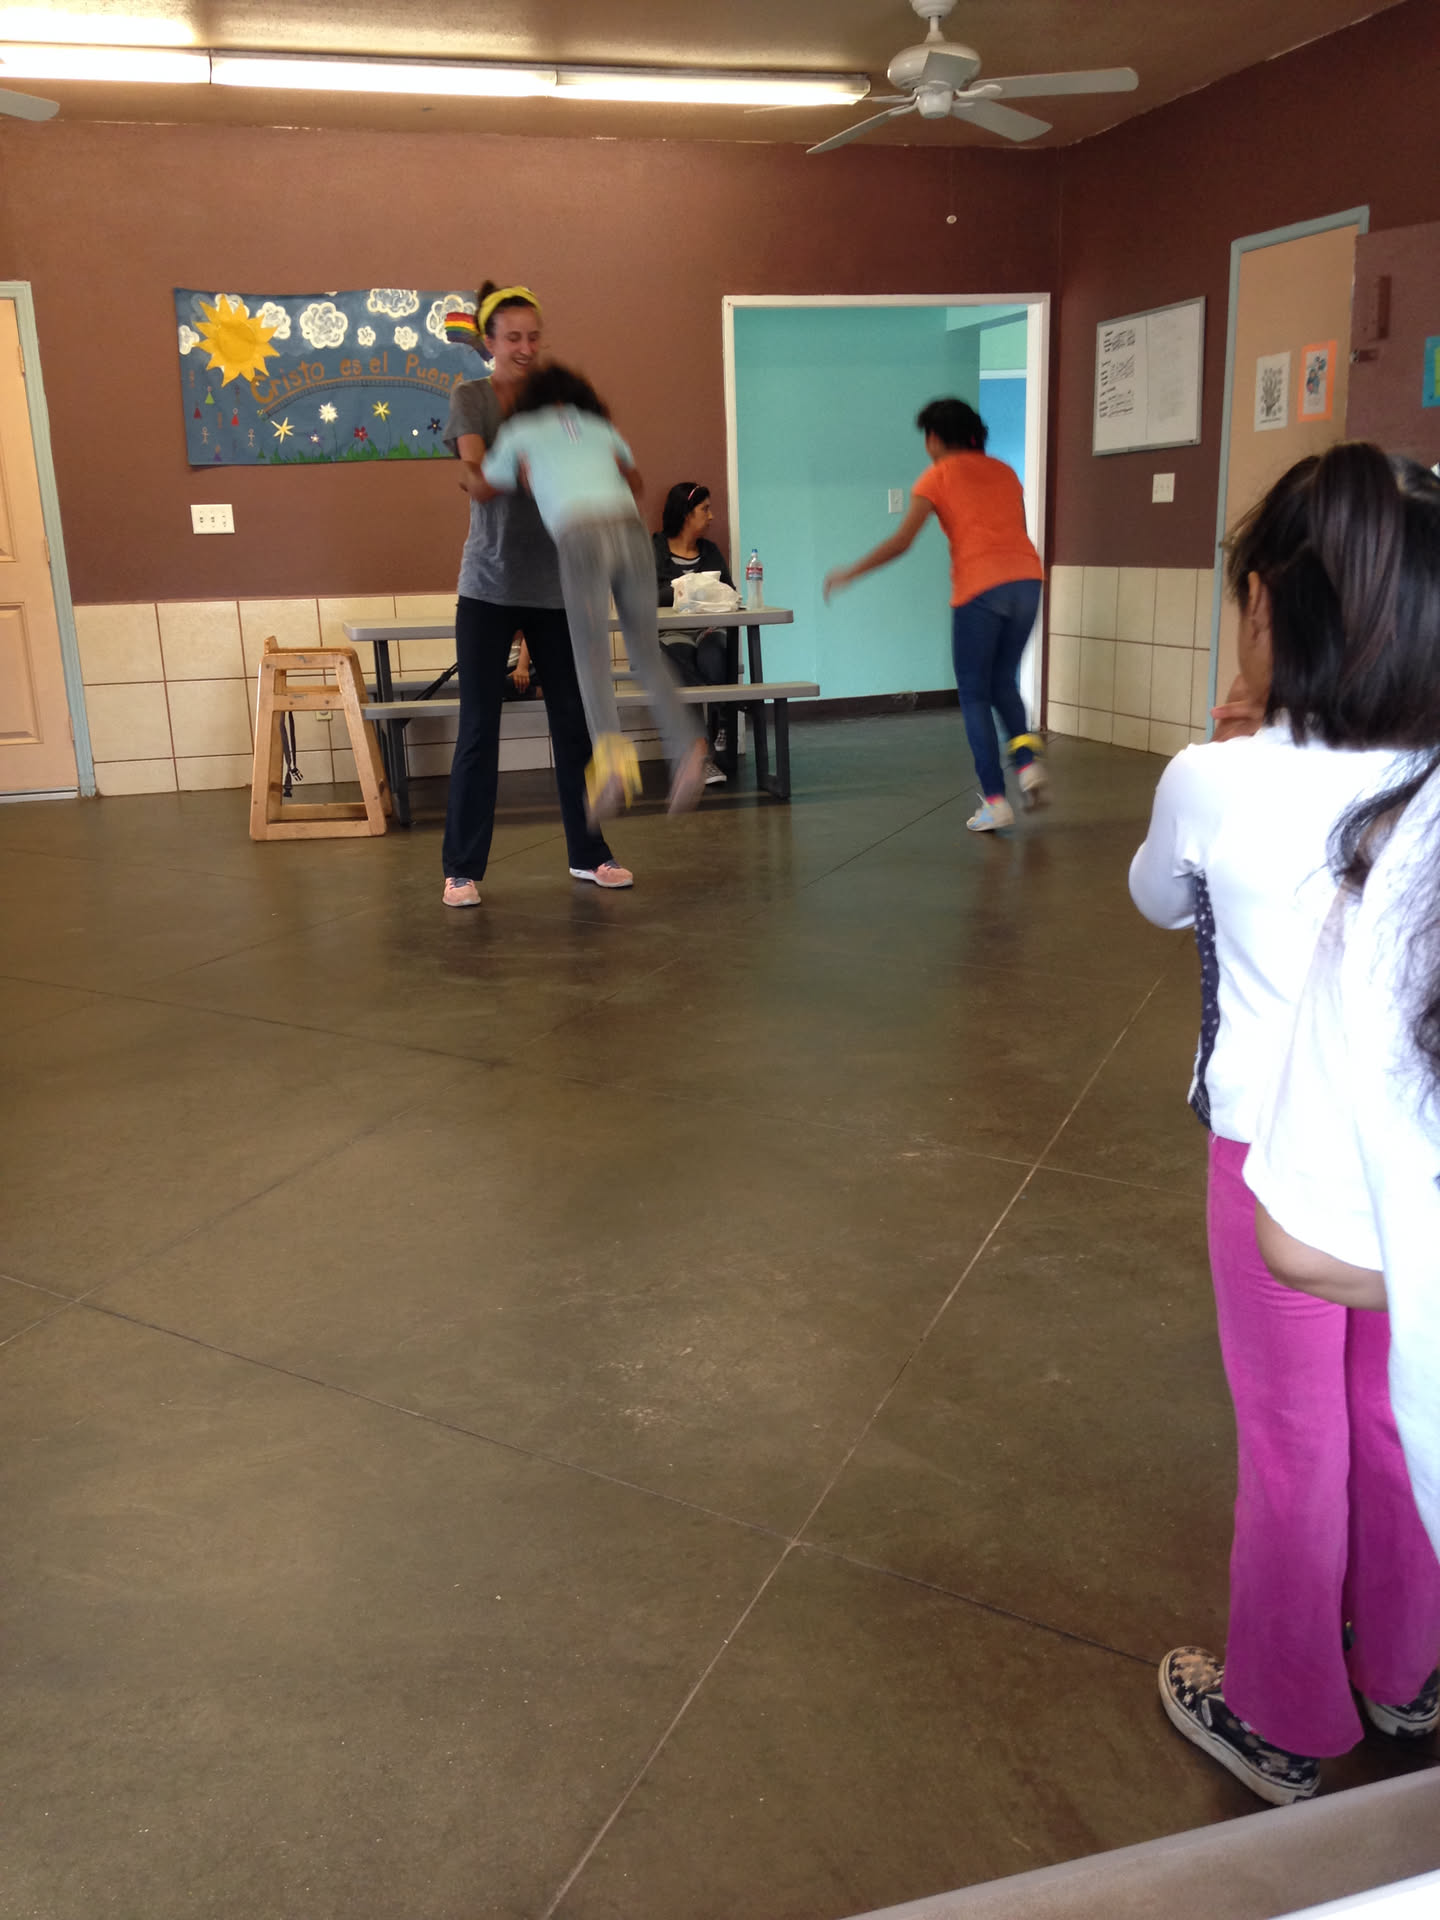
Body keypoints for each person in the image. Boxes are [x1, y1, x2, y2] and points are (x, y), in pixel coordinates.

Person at [1128, 443, 1440, 1805]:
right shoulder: (1427, 777)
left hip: (1267, 1160)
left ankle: (1282, 1713)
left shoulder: (1213, 778)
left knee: (1293, 1438)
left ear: (1266, 606)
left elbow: (1156, 896)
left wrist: (1235, 732)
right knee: (1393, 1407)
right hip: (1409, 1157)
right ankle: (1409, 1671)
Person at [1248, 752, 1440, 1568]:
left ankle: (1293, 1659)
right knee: (1372, 1417)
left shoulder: (1402, 848)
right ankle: (1399, 1643)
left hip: (1270, 1140)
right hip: (1323, 1160)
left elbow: (1157, 894)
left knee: (1293, 1430)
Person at [439, 281, 632, 910]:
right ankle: (461, 868)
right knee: (478, 729)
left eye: (533, 337)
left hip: (558, 585)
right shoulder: (471, 397)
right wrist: (497, 474)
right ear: (489, 342)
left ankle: (590, 853)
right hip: (489, 584)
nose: (524, 348)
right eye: (512, 337)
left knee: (573, 722)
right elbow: (473, 470)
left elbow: (602, 457)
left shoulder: (557, 401)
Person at [476, 363, 706, 822]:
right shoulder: (601, 428)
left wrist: (507, 474)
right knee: (646, 653)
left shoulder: (521, 429)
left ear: (534, 399)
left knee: (592, 656)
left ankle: (613, 763)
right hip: (632, 533)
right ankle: (688, 746)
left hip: (581, 535)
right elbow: (635, 482)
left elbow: (484, 489)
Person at [823, 398, 1047, 832]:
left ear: (934, 438)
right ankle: (1027, 763)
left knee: (974, 694)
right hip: (1027, 581)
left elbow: (902, 542)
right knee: (1004, 680)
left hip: (980, 589)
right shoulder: (1004, 472)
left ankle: (995, 800)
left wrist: (851, 571)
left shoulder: (937, 475)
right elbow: (1016, 532)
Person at [654, 482, 736, 781]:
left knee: (713, 655)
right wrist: (694, 589)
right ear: (687, 514)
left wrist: (681, 591)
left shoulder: (710, 551)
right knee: (680, 661)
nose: (711, 516)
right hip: (670, 633)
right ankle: (703, 751)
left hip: (708, 629)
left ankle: (719, 726)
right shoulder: (656, 548)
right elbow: (649, 594)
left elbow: (728, 591)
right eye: (705, 509)